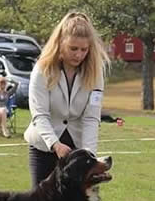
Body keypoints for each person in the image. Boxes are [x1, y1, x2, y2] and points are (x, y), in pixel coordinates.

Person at [23, 11, 110, 190]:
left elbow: (91, 117)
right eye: (73, 48)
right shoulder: (42, 69)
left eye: (84, 50)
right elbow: (39, 114)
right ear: (61, 42)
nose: (78, 55)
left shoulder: (95, 72)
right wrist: (55, 144)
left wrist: (90, 157)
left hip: (78, 150)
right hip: (44, 146)